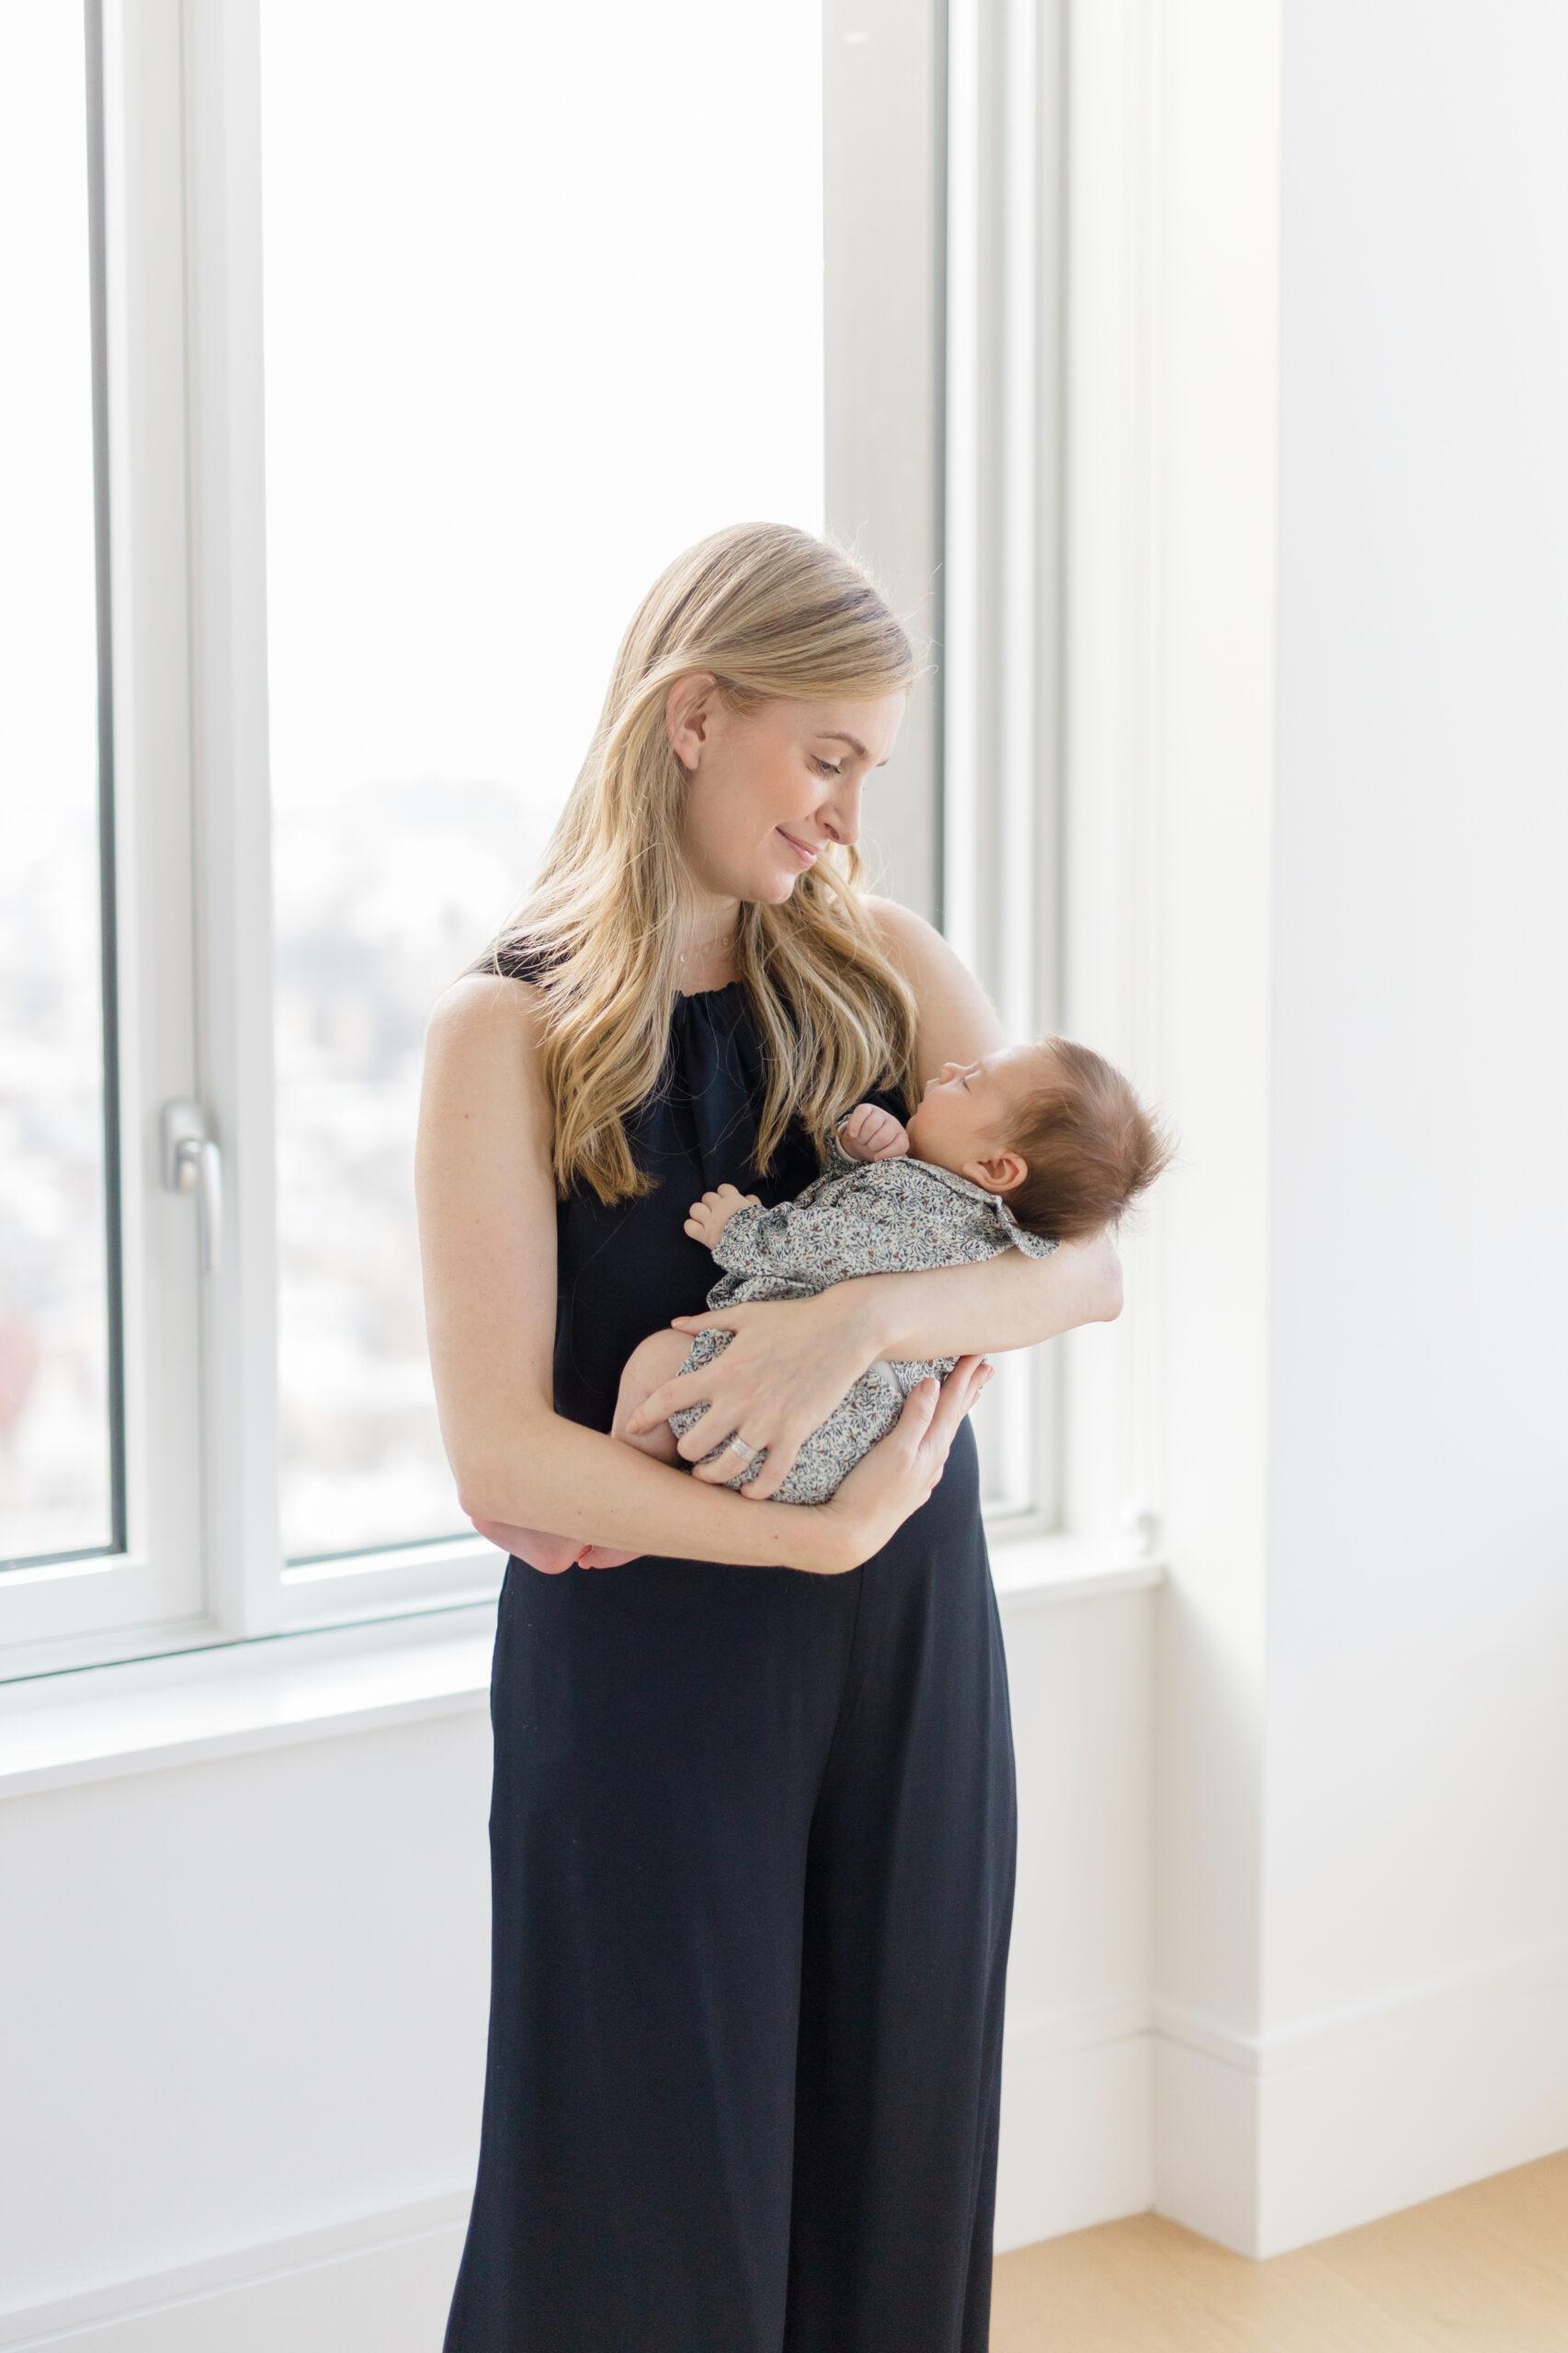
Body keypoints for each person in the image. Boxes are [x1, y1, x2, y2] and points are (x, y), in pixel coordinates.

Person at [417, 522, 1124, 2353]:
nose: (843, 817)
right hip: (650, 1682)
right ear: (690, 714)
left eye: (867, 771)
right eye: (826, 758)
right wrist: (816, 1527)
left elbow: (1082, 1269)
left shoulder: (888, 963)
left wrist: (858, 1320)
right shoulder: (503, 1034)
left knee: (894, 2157)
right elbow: (502, 1456)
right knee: (636, 2202)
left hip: (906, 1663)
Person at [485, 1035, 1169, 1567]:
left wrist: (740, 1230)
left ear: (996, 1167)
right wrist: (863, 1156)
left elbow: (822, 1246)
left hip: (807, 1425)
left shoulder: (917, 1203)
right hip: (858, 1450)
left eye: (967, 1082)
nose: (945, 1072)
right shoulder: (991, 1227)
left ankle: (611, 1513)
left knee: (658, 1367)